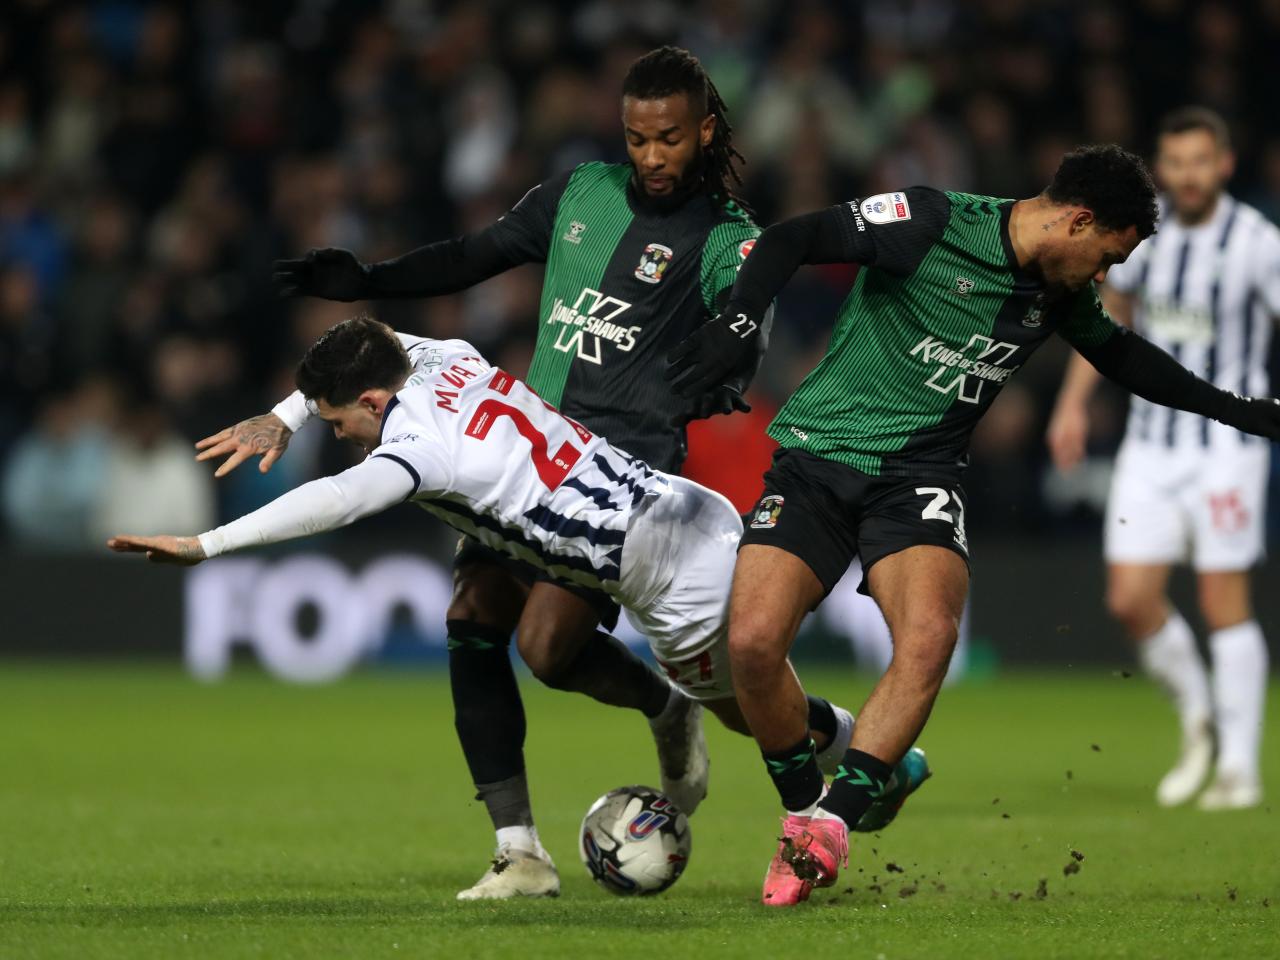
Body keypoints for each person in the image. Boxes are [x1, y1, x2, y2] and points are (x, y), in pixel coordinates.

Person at [210, 47, 768, 899]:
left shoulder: (727, 236)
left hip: (615, 474)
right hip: (520, 452)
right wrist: (372, 279)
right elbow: (476, 253)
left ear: (704, 132)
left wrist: (730, 357)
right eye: (636, 138)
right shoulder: (581, 195)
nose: (652, 156)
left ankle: (673, 706)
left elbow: (749, 318)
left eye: (668, 139)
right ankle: (521, 853)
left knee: (546, 650)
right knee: (471, 617)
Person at [666, 144, 1280, 906]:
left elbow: (1125, 358)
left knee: (929, 637)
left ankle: (830, 824)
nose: (1103, 277)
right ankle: (805, 810)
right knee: (753, 645)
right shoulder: (931, 221)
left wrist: (1239, 411)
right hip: (818, 459)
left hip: (918, 480)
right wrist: (737, 320)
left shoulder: (1057, 293)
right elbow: (793, 237)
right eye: (1107, 257)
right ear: (1077, 220)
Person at [108, 317, 924, 885]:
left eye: (337, 422)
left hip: (669, 575)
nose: (341, 437)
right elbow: (378, 334)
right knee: (739, 701)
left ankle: (854, 789)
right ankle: (876, 765)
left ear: (373, 403)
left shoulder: (418, 448)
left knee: (754, 713)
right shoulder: (444, 356)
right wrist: (288, 414)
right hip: (679, 507)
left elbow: (334, 502)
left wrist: (205, 545)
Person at [1048, 109, 1279, 811]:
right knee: (1129, 598)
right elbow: (1108, 321)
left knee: (1221, 599)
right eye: (1175, 162)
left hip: (1228, 448)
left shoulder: (1258, 243)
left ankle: (1238, 766)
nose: (1187, 175)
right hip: (1150, 442)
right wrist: (1072, 403)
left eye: (1199, 161)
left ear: (1224, 164)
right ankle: (1200, 718)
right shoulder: (1145, 238)